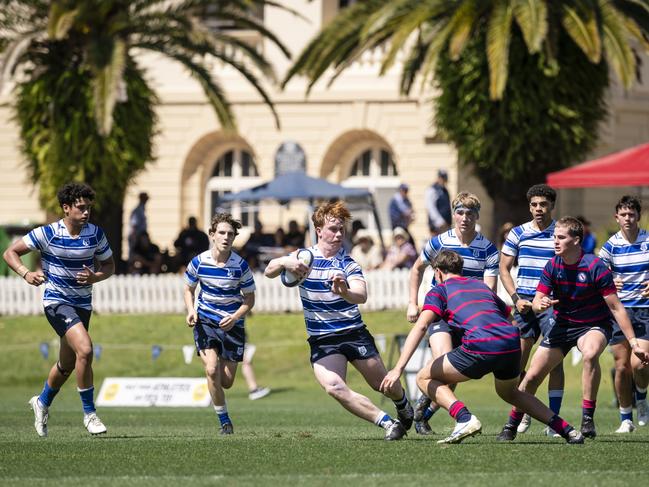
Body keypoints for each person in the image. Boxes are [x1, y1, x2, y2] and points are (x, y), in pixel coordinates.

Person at [381, 250, 584, 444]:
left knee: (423, 377)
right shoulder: (480, 286)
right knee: (511, 393)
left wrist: (398, 368)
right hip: (511, 342)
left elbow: (422, 325)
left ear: (438, 272)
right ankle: (567, 430)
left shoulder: (439, 290)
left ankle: (464, 418)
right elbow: (510, 318)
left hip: (481, 344)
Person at [264, 200, 414, 440]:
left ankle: (403, 404)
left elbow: (361, 295)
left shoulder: (348, 263)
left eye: (341, 229)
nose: (338, 234)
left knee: (384, 385)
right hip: (322, 339)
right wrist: (284, 261)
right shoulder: (303, 257)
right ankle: (388, 423)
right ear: (319, 230)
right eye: (333, 229)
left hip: (353, 333)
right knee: (334, 387)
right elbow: (269, 271)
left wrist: (343, 291)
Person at [496, 216, 649, 442]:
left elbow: (616, 308)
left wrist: (634, 342)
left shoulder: (595, 266)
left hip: (594, 324)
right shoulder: (552, 265)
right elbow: (538, 301)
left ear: (576, 240)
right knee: (532, 376)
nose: (555, 242)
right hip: (563, 325)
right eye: (554, 237)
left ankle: (587, 419)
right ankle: (511, 424)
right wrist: (541, 304)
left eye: (560, 237)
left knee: (589, 354)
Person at [3, 182, 114, 437]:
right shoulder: (48, 233)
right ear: (66, 208)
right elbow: (10, 253)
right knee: (85, 349)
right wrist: (25, 273)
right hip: (56, 302)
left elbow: (109, 265)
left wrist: (95, 277)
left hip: (83, 304)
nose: (86, 213)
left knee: (67, 363)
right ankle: (90, 414)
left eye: (89, 208)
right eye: (81, 208)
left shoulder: (96, 234)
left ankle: (41, 402)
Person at [407, 191, 499, 434]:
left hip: (468, 320)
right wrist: (412, 302)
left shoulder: (488, 249)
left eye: (470, 213)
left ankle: (422, 413)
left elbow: (489, 289)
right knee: (444, 358)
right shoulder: (438, 243)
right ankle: (423, 412)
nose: (464, 217)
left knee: (453, 375)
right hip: (441, 314)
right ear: (453, 215)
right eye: (460, 212)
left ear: (477, 215)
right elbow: (416, 269)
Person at [499, 184, 565, 436]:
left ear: (551, 206)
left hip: (551, 303)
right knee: (519, 364)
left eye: (543, 204)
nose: (539, 209)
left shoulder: (560, 233)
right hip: (524, 303)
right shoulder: (517, 233)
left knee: (553, 363)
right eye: (535, 205)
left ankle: (554, 422)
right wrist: (515, 298)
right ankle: (523, 413)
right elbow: (504, 268)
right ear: (529, 207)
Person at [183, 212, 255, 435]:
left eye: (230, 234)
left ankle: (223, 408)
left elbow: (250, 299)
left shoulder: (241, 266)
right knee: (211, 368)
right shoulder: (198, 262)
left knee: (227, 381)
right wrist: (191, 310)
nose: (226, 237)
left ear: (234, 238)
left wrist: (234, 318)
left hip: (232, 326)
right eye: (221, 233)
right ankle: (224, 421)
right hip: (205, 321)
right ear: (212, 235)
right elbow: (188, 288)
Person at [599, 196, 649, 432]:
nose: (627, 218)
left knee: (639, 365)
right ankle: (625, 419)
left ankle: (641, 395)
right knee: (621, 367)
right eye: (623, 214)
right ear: (616, 217)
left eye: (632, 214)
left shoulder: (648, 240)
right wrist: (609, 281)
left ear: (638, 216)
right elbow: (597, 276)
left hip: (644, 310)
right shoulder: (610, 246)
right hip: (619, 312)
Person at [425, 169, 452, 236]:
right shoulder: (432, 190)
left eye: (444, 178)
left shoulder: (445, 190)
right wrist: (439, 221)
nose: (443, 180)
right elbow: (430, 207)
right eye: (441, 178)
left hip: (446, 225)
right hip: (437, 226)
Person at [388, 183, 415, 247]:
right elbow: (396, 215)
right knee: (399, 243)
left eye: (406, 191)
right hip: (397, 226)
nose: (405, 192)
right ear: (400, 191)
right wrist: (406, 214)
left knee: (410, 243)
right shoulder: (396, 200)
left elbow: (411, 212)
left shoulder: (406, 200)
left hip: (404, 226)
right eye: (404, 190)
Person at [128, 191, 149, 258]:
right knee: (133, 254)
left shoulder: (141, 209)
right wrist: (135, 237)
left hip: (140, 236)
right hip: (136, 236)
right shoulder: (138, 210)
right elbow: (134, 224)